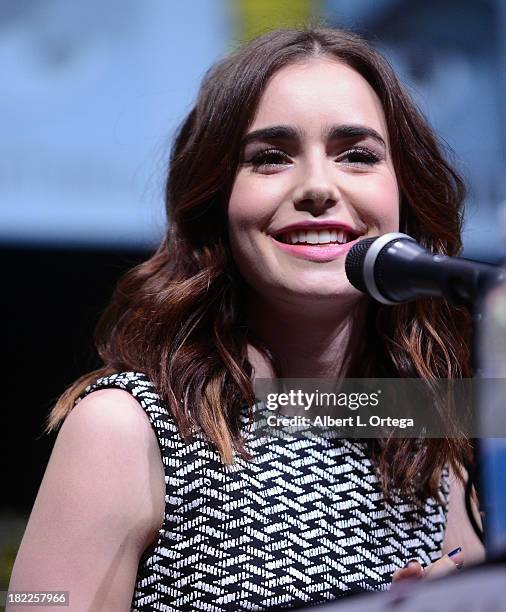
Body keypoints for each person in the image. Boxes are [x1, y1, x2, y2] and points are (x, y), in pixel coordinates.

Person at [9, 27, 484, 611]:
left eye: (357, 155)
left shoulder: (433, 439)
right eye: (270, 158)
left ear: (404, 196)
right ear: (216, 203)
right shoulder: (126, 428)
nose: (317, 187)